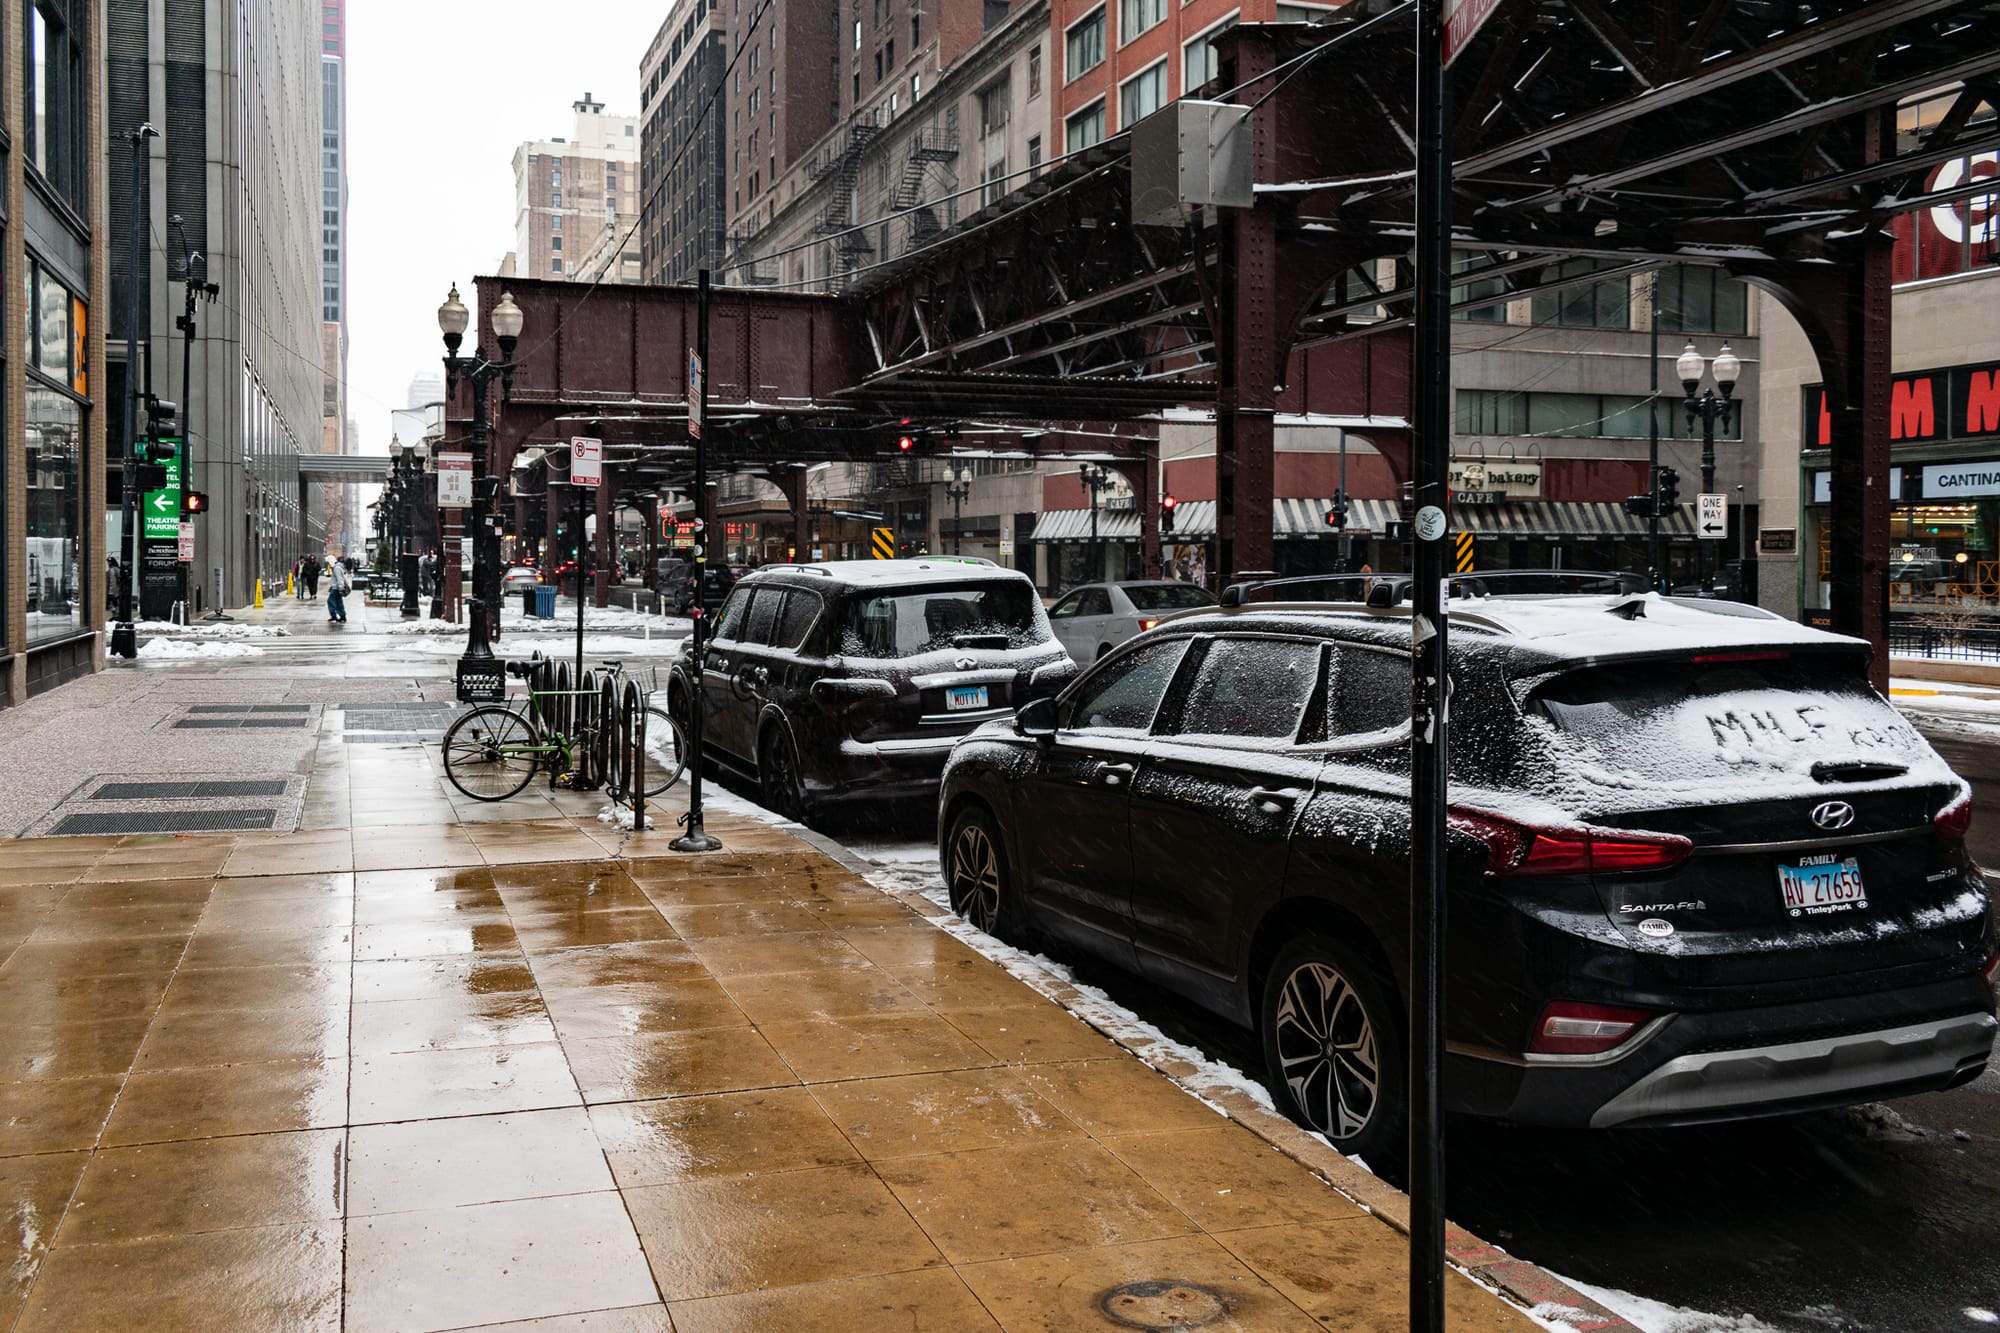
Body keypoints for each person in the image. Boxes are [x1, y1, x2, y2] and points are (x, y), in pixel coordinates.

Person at [326, 556, 351, 624]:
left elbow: (340, 579)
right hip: (337, 588)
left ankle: (334, 616)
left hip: (335, 588)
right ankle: (342, 616)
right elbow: (341, 579)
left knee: (331, 601)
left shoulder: (336, 568)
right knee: (339, 602)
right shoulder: (339, 567)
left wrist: (340, 588)